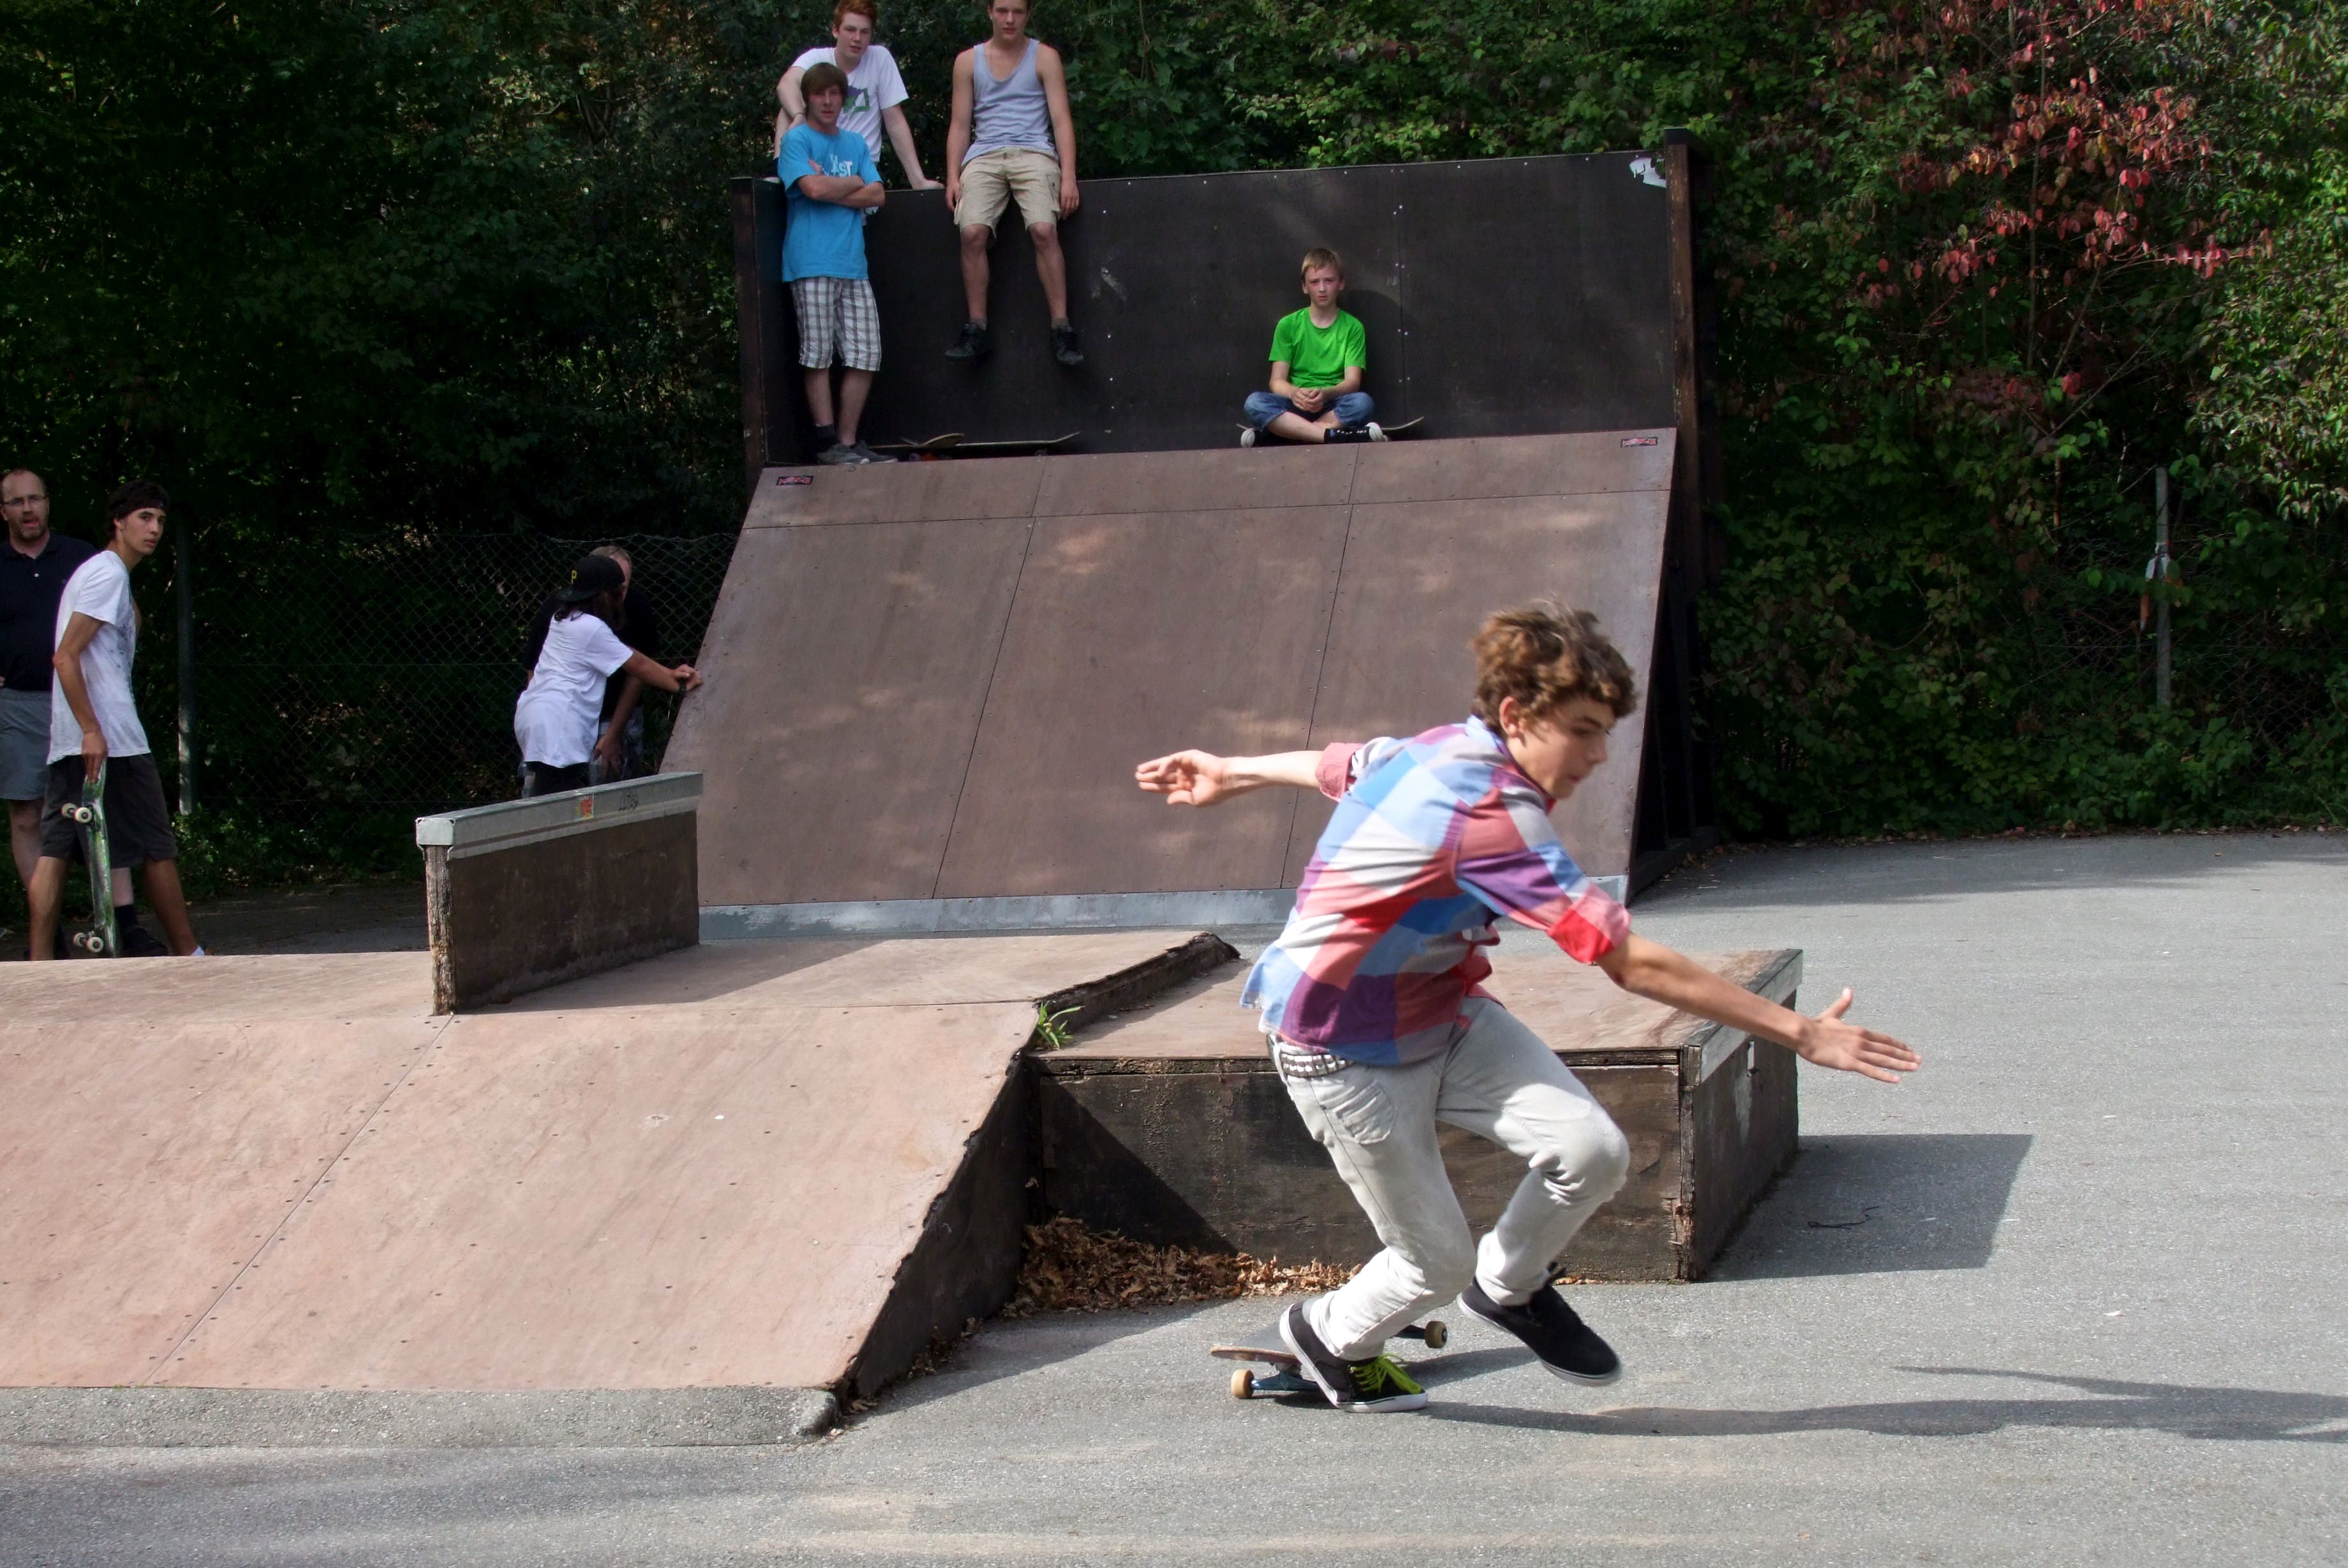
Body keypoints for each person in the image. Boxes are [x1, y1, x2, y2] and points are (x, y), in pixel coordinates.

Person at [1134, 604, 1919, 1413]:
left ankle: (1507, 1287)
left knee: (1591, 1152)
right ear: (1515, 715)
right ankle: (1331, 1334)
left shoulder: (1436, 748)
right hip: (1338, 1050)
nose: (1597, 755)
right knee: (1430, 1265)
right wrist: (1798, 1031)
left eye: (1603, 733)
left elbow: (1340, 764)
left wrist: (1232, 770)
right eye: (1581, 730)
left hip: (1439, 1013)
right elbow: (1629, 962)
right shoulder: (1491, 816)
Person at [27, 480, 200, 959]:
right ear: (119, 522)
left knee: (55, 851)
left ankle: (38, 967)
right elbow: (65, 657)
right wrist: (92, 729)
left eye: (160, 520)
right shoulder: (107, 574)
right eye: (144, 518)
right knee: (156, 846)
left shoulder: (103, 574)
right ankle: (191, 957)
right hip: (112, 741)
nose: (154, 528)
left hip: (73, 741)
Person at [942, 0, 1083, 366]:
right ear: (989, 11)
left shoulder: (1045, 57)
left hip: (1034, 151)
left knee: (1043, 229)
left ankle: (1062, 328)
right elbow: (960, 124)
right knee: (972, 232)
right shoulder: (968, 62)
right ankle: (976, 328)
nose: (1009, 19)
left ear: (1028, 14)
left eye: (1017, 11)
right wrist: (952, 176)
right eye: (1003, 10)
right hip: (985, 155)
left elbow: (1061, 120)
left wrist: (1069, 176)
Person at [516, 554, 702, 797]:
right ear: (604, 596)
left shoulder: (564, 620)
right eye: (617, 593)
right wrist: (679, 684)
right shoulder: (592, 629)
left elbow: (624, 652)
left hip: (534, 714)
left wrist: (668, 673)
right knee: (556, 804)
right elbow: (636, 665)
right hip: (558, 723)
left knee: (549, 795)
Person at [782, 61, 893, 466]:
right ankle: (827, 443)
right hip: (810, 260)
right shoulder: (797, 140)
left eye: (835, 94)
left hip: (853, 263)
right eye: (820, 94)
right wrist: (852, 182)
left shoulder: (855, 143)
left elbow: (878, 195)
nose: (828, 102)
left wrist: (833, 187)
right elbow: (811, 189)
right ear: (808, 98)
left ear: (843, 99)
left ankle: (847, 443)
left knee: (866, 353)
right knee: (817, 354)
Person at [0, 469, 97, 898]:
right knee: (27, 817)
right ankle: (46, 923)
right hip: (18, 704)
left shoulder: (81, 558)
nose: (28, 509)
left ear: (47, 503)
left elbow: (122, 616)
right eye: (17, 502)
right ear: (3, 511)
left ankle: (114, 917)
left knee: (92, 813)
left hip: (80, 704)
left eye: (35, 499)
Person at [524, 544, 661, 784]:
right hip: (565, 718)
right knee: (550, 787)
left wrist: (613, 734)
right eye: (614, 588)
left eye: (624, 587)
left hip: (613, 713)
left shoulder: (636, 607)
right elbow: (535, 670)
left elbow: (639, 671)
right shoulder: (562, 613)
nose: (620, 594)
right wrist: (543, 726)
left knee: (609, 784)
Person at [772, 0, 939, 191]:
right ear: (836, 30)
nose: (857, 38)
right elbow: (785, 85)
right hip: (818, 160)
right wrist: (799, 116)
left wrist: (917, 180)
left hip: (859, 165)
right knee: (790, 107)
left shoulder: (880, 59)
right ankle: (778, 174)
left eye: (864, 32)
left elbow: (895, 121)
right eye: (850, 30)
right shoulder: (818, 59)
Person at [1242, 248, 1384, 447]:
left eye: (1329, 281)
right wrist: (1294, 393)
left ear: (1341, 283)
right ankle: (1332, 436)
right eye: (1315, 282)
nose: (1322, 288)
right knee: (1254, 403)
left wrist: (1325, 394)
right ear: (1305, 287)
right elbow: (1277, 381)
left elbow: (1352, 382)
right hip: (1294, 404)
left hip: (1332, 403)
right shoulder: (1288, 325)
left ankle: (1285, 436)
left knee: (1362, 403)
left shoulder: (1353, 327)